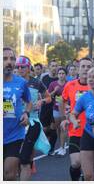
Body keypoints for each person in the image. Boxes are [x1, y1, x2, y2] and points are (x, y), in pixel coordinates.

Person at [15, 55, 52, 180]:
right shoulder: (10, 82)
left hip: (32, 122)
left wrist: (42, 102)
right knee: (17, 158)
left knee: (24, 158)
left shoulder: (36, 82)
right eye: (18, 67)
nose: (20, 69)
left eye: (23, 67)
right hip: (14, 123)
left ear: (29, 67)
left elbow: (48, 97)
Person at [60, 57, 92, 181]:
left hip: (92, 132)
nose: (85, 69)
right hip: (75, 130)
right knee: (75, 163)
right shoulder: (70, 85)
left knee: (87, 169)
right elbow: (62, 100)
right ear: (78, 69)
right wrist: (65, 117)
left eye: (88, 67)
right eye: (83, 66)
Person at [3, 48, 32, 181]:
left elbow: (29, 101)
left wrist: (26, 113)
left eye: (12, 59)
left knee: (9, 175)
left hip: (14, 134)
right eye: (5, 59)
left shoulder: (21, 82)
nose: (9, 62)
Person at [40, 59, 58, 155]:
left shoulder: (59, 79)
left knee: (53, 127)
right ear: (49, 67)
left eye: (56, 66)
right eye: (52, 65)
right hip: (45, 106)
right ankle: (47, 144)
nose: (54, 68)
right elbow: (42, 93)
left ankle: (51, 149)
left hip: (55, 107)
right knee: (45, 128)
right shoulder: (45, 78)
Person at [48, 67, 68, 156]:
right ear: (57, 75)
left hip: (65, 109)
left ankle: (63, 147)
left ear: (65, 75)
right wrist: (55, 91)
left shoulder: (69, 84)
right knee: (57, 128)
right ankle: (61, 145)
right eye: (59, 73)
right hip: (55, 108)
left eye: (63, 73)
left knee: (63, 127)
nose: (61, 75)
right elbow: (48, 95)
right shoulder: (53, 84)